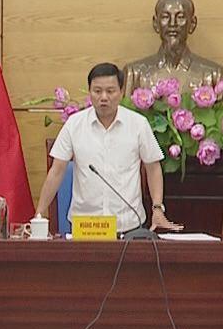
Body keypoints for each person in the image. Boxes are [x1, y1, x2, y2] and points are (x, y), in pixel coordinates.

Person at [35, 63, 181, 236]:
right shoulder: (74, 124)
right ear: (90, 92)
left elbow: (153, 167)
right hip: (86, 229)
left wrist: (157, 208)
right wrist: (39, 215)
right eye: (97, 91)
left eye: (110, 91)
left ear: (121, 92)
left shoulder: (138, 124)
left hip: (128, 226)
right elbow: (57, 171)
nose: (104, 97)